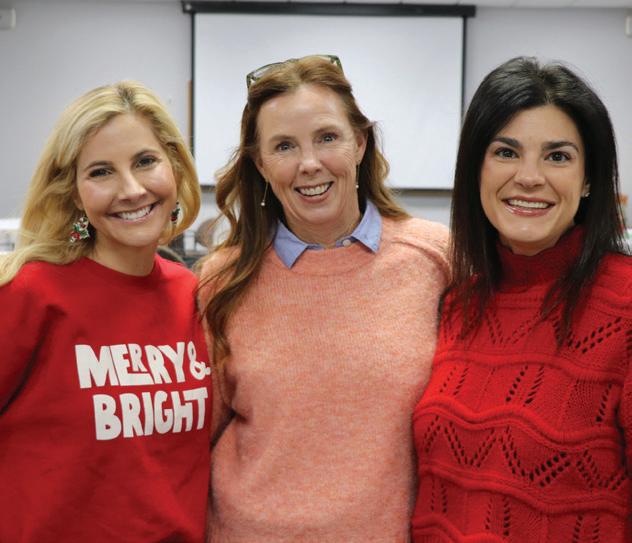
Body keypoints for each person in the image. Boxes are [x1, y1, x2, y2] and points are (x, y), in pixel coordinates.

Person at [198, 55, 449, 541]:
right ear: (260, 164)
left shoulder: (435, 259)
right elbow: (196, 435)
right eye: (284, 146)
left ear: (360, 143)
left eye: (327, 137)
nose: (309, 163)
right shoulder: (222, 280)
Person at [411, 57, 632, 542]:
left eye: (558, 157)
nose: (529, 177)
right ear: (476, 169)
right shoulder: (458, 306)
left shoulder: (625, 305)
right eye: (506, 152)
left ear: (589, 179)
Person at [0, 81, 212, 542]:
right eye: (101, 172)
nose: (131, 190)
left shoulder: (195, 296)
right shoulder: (28, 292)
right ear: (74, 193)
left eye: (145, 161)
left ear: (174, 166)